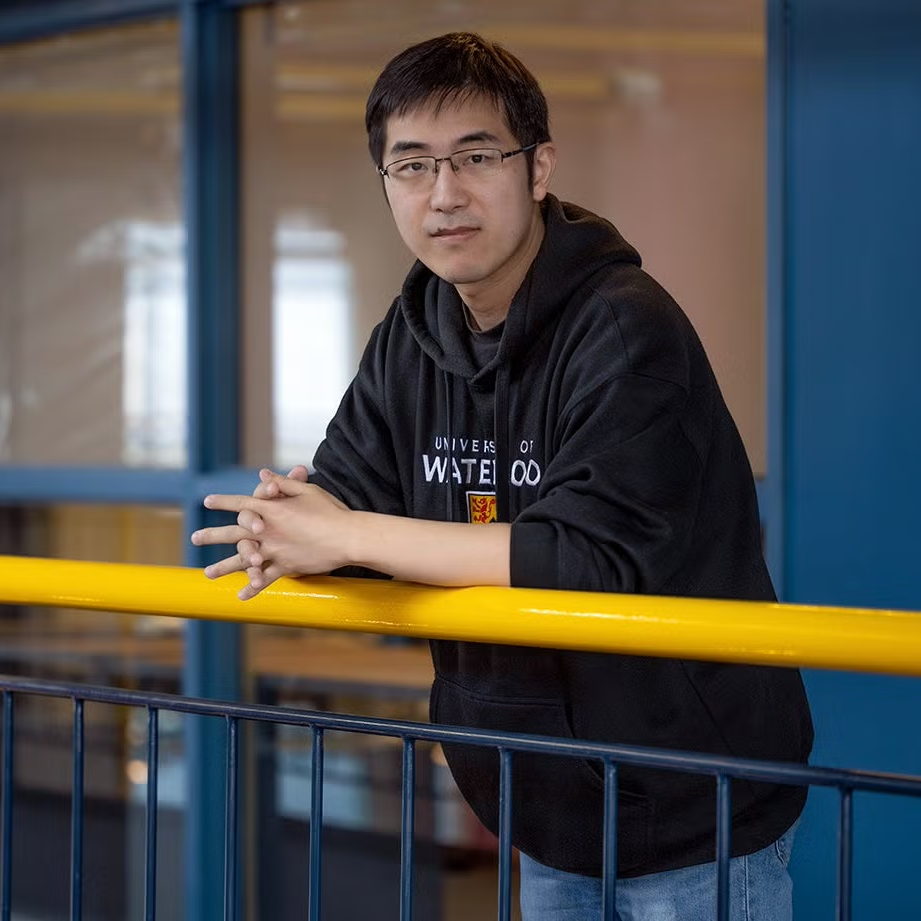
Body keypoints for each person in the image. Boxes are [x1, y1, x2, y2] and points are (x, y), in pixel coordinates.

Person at [191, 31, 813, 920]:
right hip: (539, 796)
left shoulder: (626, 329)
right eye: (411, 166)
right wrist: (294, 528)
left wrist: (347, 533)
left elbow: (587, 559)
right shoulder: (411, 337)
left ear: (538, 167)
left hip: (693, 799)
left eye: (475, 156)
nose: (443, 194)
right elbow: (346, 507)